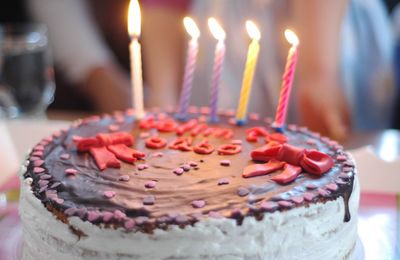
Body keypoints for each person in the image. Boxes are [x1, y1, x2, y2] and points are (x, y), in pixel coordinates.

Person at [28, 0, 395, 141]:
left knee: (328, 163)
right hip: (219, 32)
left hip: (323, 28)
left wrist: (319, 71)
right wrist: (166, 92)